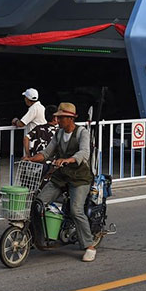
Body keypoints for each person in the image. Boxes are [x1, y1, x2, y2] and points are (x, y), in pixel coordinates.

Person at [26, 102, 98, 262]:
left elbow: (84, 152)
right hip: (61, 176)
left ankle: (89, 246)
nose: (58, 120)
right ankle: (38, 237)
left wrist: (69, 159)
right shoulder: (58, 134)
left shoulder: (81, 133)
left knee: (76, 210)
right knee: (37, 203)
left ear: (70, 118)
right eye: (57, 117)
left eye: (61, 117)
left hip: (80, 178)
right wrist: (31, 158)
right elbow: (46, 153)